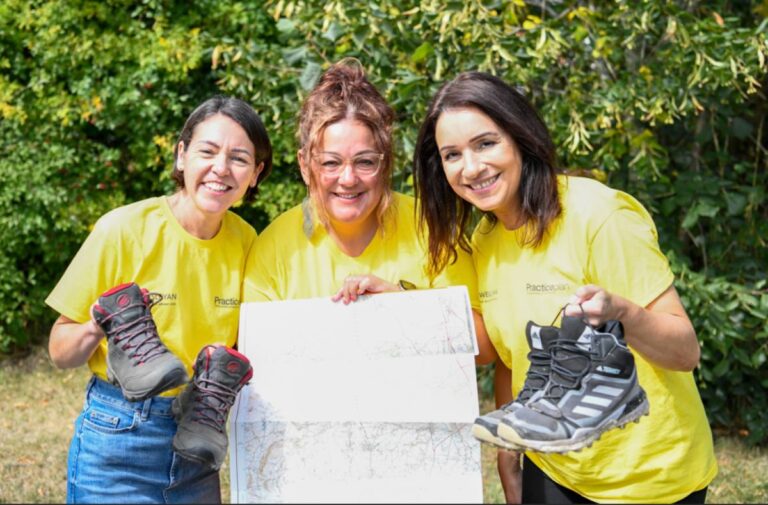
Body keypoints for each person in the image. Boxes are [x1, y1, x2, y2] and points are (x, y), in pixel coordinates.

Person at [412, 71, 717, 504]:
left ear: (519, 137)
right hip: (555, 467)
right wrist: (509, 451)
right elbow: (512, 356)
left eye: (485, 143)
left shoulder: (597, 215)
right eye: (452, 154)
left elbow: (685, 352)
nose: (472, 167)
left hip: (650, 477)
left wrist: (623, 314)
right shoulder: (484, 241)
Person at [45, 96, 272, 503]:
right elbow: (59, 351)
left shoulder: (248, 241)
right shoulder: (123, 229)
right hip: (118, 439)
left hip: (200, 441)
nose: (221, 169)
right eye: (208, 151)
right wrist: (99, 324)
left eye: (239, 159)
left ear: (255, 174)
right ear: (182, 155)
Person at [242, 59, 492, 371]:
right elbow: (257, 362)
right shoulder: (273, 248)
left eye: (365, 162)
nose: (348, 179)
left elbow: (485, 348)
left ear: (385, 164)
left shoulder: (432, 227)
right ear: (305, 166)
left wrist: (402, 304)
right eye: (331, 163)